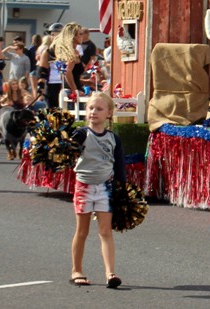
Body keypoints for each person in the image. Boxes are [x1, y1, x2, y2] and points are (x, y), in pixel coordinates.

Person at [69, 92, 126, 288]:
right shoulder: (83, 133)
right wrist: (71, 140)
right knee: (82, 231)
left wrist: (122, 189)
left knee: (105, 231)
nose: (94, 112)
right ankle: (76, 270)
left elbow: (119, 166)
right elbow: (70, 147)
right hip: (83, 187)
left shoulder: (114, 139)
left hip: (105, 188)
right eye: (91, 108)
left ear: (109, 113)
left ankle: (110, 273)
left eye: (99, 109)